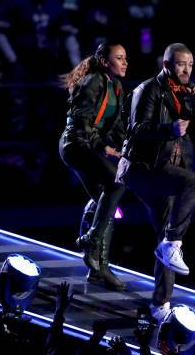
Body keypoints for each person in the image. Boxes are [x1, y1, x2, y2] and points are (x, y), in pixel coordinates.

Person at [116, 43, 195, 323]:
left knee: (167, 239)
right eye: (181, 64)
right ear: (167, 65)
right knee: (194, 184)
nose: (187, 70)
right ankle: (171, 246)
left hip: (169, 171)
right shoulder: (149, 90)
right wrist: (169, 128)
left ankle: (161, 304)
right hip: (144, 169)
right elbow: (136, 129)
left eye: (190, 65)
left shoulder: (188, 94)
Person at [59, 42, 128, 290]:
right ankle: (91, 240)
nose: (125, 62)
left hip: (89, 146)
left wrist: (127, 147)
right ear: (104, 62)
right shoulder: (93, 82)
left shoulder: (116, 86)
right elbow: (81, 122)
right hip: (76, 145)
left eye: (125, 58)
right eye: (119, 58)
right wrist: (103, 147)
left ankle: (99, 268)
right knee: (116, 184)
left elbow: (117, 125)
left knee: (106, 205)